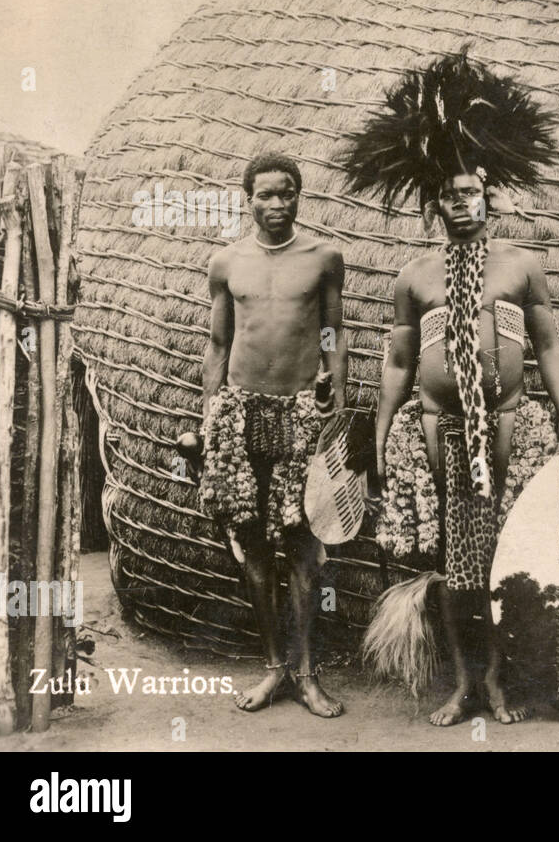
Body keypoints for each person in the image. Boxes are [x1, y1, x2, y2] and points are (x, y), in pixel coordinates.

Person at [343, 50, 559, 725]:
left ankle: (500, 682)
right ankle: (462, 682)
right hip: (436, 430)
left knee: (507, 555)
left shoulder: (521, 266)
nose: (463, 205)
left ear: (490, 196)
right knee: (453, 563)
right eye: (450, 197)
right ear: (435, 205)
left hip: (509, 423)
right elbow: (397, 362)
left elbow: (546, 346)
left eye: (472, 194)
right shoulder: (415, 276)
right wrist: (385, 428)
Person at [201, 152, 347, 717]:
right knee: (254, 544)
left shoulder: (324, 258)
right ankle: (272, 668)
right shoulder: (226, 262)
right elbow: (218, 344)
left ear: (299, 197)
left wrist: (336, 387)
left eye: (287, 193)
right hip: (240, 419)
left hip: (301, 415)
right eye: (266, 194)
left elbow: (334, 328)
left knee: (306, 546)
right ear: (248, 199)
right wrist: (210, 414)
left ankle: (307, 673)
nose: (278, 204)